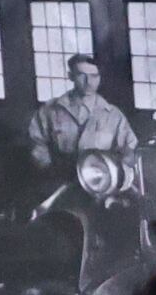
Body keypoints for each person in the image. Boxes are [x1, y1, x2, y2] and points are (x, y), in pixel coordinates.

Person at [26, 52, 140, 196]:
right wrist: (49, 169)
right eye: (81, 75)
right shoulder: (50, 110)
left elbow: (130, 149)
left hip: (101, 187)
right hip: (60, 184)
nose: (89, 82)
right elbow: (36, 143)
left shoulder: (113, 115)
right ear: (71, 76)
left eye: (94, 76)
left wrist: (113, 174)